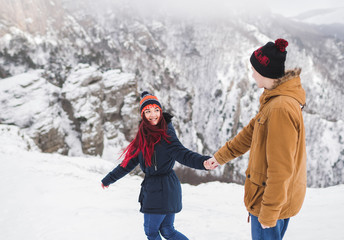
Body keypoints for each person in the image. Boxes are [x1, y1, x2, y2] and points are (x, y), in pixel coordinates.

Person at [207, 38, 307, 240]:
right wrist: (219, 158)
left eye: (254, 69)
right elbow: (249, 134)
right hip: (271, 199)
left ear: (265, 72)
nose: (252, 74)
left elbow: (281, 168)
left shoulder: (279, 108)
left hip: (269, 203)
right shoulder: (273, 101)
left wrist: (269, 212)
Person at [101, 91, 216, 240]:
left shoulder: (166, 135)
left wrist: (203, 162)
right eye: (148, 111)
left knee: (151, 231)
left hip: (160, 190)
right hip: (165, 188)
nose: (153, 115)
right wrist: (109, 179)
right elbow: (127, 163)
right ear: (143, 115)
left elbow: (183, 154)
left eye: (156, 110)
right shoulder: (144, 136)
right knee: (168, 230)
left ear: (161, 112)